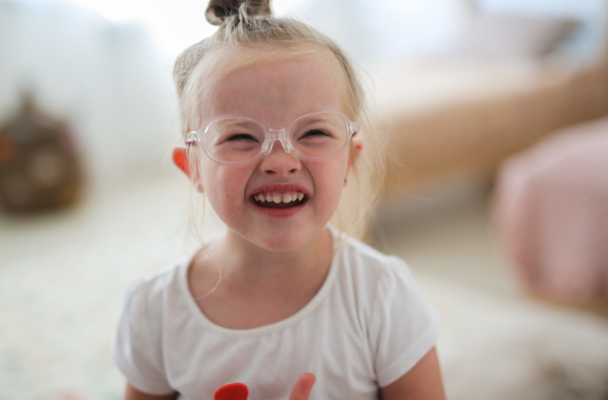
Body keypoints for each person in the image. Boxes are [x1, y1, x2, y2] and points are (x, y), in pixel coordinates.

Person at [111, 1, 446, 399]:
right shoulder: (156, 312)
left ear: (349, 159)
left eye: (314, 133)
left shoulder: (381, 295)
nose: (281, 162)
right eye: (240, 137)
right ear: (193, 167)